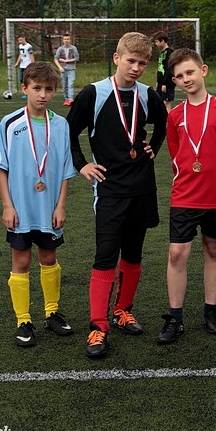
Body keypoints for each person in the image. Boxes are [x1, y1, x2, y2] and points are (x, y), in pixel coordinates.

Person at [67, 32, 168, 358]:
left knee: (134, 253)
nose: (136, 68)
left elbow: (163, 124)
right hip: (110, 189)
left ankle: (123, 310)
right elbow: (69, 131)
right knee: (106, 255)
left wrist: (155, 147)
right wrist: (82, 165)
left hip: (142, 186)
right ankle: (98, 326)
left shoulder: (147, 94)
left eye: (142, 63)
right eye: (131, 61)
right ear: (117, 58)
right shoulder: (94, 93)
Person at [158, 48, 216, 344]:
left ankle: (211, 310)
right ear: (174, 81)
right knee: (177, 253)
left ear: (203, 70)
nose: (186, 79)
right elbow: (175, 153)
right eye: (179, 76)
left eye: (190, 72)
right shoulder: (175, 115)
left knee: (213, 249)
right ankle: (175, 317)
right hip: (185, 194)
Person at [0, 62, 78, 347]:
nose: (42, 94)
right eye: (37, 88)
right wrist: (7, 206)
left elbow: (65, 170)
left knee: (49, 258)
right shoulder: (10, 123)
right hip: (20, 208)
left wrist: (61, 206)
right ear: (25, 88)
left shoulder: (61, 125)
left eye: (49, 89)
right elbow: (1, 168)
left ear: (55, 91)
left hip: (49, 207)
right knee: (21, 261)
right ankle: (23, 320)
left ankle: (52, 313)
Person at [54, 33, 80, 107]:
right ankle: (66, 99)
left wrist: (66, 61)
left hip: (71, 69)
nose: (66, 40)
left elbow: (77, 58)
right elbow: (56, 59)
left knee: (70, 84)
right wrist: (60, 67)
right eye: (65, 39)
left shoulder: (73, 48)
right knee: (64, 85)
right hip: (63, 70)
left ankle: (70, 99)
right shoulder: (60, 49)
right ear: (63, 40)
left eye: (68, 39)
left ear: (70, 40)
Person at [153, 31, 175, 113]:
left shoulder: (169, 53)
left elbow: (169, 69)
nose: (156, 44)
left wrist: (165, 83)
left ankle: (168, 119)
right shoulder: (163, 53)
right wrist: (158, 81)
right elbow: (161, 69)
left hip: (167, 83)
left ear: (162, 41)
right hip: (161, 83)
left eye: (157, 42)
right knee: (160, 102)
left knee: (166, 103)